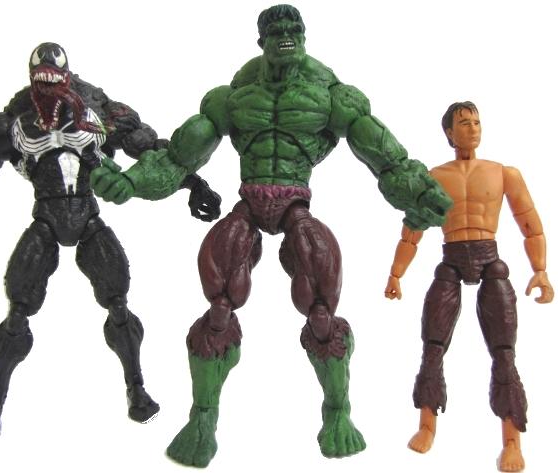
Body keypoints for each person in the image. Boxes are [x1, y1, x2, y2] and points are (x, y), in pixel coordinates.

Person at [92, 5, 451, 467]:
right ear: (260, 40)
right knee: (219, 306)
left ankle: (338, 413)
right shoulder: (233, 98)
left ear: (304, 35)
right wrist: (131, 182)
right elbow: (180, 158)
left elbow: (386, 157)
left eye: (293, 28)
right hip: (249, 197)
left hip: (296, 203)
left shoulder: (332, 97)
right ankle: (202, 419)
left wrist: (418, 192)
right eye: (276, 29)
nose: (286, 34)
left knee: (321, 310)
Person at [0, 42, 221, 443]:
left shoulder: (98, 110)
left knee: (118, 303)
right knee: (18, 309)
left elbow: (154, 152)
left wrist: (193, 182)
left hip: (87, 213)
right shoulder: (13, 120)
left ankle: (137, 388)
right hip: (46, 217)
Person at [384, 101, 553, 472]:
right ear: (449, 132)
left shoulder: (503, 173)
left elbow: (530, 222)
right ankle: (427, 425)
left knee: (504, 350)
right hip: (451, 257)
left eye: (477, 121)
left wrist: (540, 269)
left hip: (490, 257)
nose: (473, 128)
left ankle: (512, 441)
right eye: (464, 122)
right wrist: (397, 273)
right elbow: (413, 229)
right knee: (433, 344)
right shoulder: (434, 177)